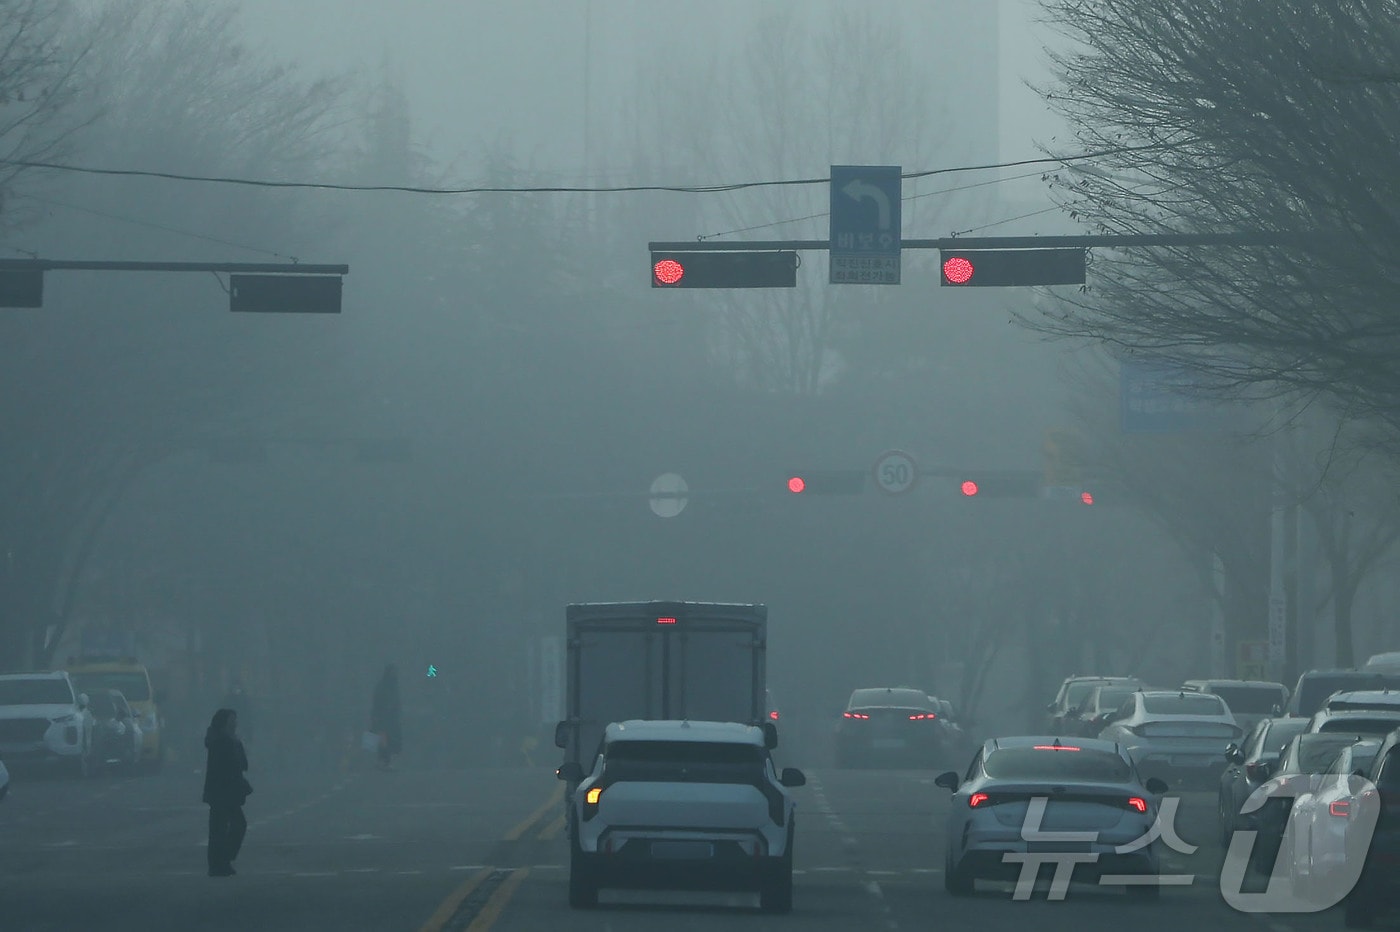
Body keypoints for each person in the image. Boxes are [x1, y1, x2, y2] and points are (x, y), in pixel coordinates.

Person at [202, 708, 251, 877]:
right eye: (232, 720)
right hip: (222, 791)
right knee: (229, 827)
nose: (235, 724)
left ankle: (220, 863)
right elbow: (236, 764)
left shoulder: (226, 740)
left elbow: (243, 764)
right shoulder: (221, 741)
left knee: (221, 829)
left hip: (225, 791)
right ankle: (220, 862)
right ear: (224, 723)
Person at [370, 664, 402, 770]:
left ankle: (386, 761)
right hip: (383, 717)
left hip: (392, 718)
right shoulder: (382, 686)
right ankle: (383, 761)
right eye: (393, 672)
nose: (394, 674)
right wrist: (376, 715)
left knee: (391, 739)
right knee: (383, 739)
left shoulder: (394, 686)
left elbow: (396, 702)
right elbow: (377, 702)